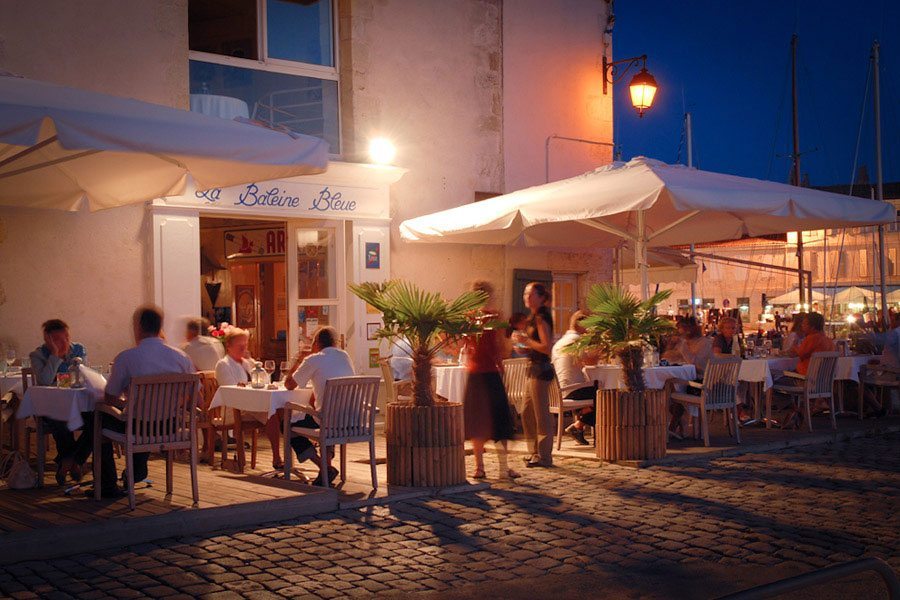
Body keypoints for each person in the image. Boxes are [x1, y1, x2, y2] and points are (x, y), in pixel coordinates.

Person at [92, 305, 194, 498]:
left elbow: (110, 397)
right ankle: (136, 471)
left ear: (138, 327)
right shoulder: (182, 358)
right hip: (170, 427)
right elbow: (195, 394)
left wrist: (127, 404)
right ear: (160, 327)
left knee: (100, 421)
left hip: (138, 427)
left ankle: (107, 484)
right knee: (143, 419)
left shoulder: (126, 358)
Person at [461, 281, 518, 479]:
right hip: (491, 372)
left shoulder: (468, 318)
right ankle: (504, 467)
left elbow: (460, 345)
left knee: (477, 422)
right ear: (488, 295)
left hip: (474, 373)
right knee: (500, 420)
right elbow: (501, 348)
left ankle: (479, 467)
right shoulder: (495, 316)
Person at [284, 327, 355, 485]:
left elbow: (289, 385)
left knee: (288, 423)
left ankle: (322, 466)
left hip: (329, 422)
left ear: (316, 343)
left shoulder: (313, 359)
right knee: (331, 414)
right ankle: (326, 469)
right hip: (349, 420)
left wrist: (299, 361)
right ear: (335, 343)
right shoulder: (345, 356)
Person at [29, 319, 89, 485]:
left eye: (66, 338)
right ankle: (74, 462)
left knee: (96, 421)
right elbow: (46, 380)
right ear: (48, 340)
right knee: (59, 419)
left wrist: (63, 378)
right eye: (58, 340)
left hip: (77, 406)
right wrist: (55, 355)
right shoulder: (38, 355)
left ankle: (68, 462)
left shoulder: (78, 350)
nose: (65, 343)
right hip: (50, 407)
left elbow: (83, 377)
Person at [215, 328, 284, 469]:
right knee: (271, 413)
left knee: (280, 410)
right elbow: (230, 391)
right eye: (240, 345)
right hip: (233, 409)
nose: (243, 348)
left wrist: (254, 363)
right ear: (229, 346)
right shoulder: (223, 365)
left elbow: (265, 380)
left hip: (252, 406)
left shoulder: (247, 363)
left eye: (245, 345)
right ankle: (277, 457)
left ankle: (286, 454)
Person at [516, 282, 554, 468]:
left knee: (541, 414)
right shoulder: (533, 317)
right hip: (532, 368)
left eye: (530, 294)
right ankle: (534, 452)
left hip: (541, 369)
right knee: (526, 412)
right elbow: (533, 346)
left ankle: (544, 456)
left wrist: (527, 341)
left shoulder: (542, 317)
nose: (526, 297)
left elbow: (547, 348)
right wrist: (522, 346)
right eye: (525, 294)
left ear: (540, 297)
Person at [551, 311, 598, 446]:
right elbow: (590, 362)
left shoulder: (560, 342)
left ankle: (579, 425)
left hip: (559, 390)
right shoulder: (577, 340)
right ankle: (581, 425)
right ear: (581, 324)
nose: (590, 329)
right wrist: (601, 350)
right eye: (589, 326)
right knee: (606, 394)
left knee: (597, 392)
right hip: (571, 390)